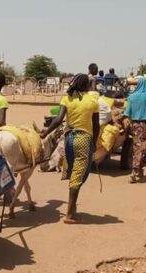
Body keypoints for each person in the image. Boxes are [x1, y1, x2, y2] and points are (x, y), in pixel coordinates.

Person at [41, 74, 99, 224]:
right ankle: (70, 214)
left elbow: (58, 120)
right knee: (78, 175)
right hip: (83, 140)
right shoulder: (93, 101)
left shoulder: (66, 99)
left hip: (69, 139)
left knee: (74, 172)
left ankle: (72, 208)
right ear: (86, 85)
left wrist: (45, 133)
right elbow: (96, 125)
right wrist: (95, 143)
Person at [124, 77, 146, 183]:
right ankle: (134, 172)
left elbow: (127, 114)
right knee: (141, 148)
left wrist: (126, 126)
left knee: (138, 148)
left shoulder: (131, 97)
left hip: (134, 126)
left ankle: (139, 169)